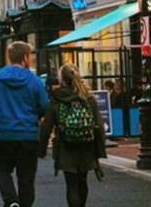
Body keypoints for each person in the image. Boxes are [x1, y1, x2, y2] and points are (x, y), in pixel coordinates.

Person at [0, 41, 49, 207]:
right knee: (26, 177)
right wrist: (35, 115)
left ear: (9, 57)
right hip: (28, 134)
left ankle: (11, 201)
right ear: (25, 57)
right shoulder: (34, 81)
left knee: (2, 170)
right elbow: (44, 105)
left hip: (3, 134)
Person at [38, 63, 107, 207]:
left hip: (66, 146)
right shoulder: (88, 97)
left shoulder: (57, 98)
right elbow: (99, 125)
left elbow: (46, 126)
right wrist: (100, 148)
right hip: (87, 145)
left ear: (61, 79)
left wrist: (41, 149)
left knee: (71, 184)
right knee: (83, 181)